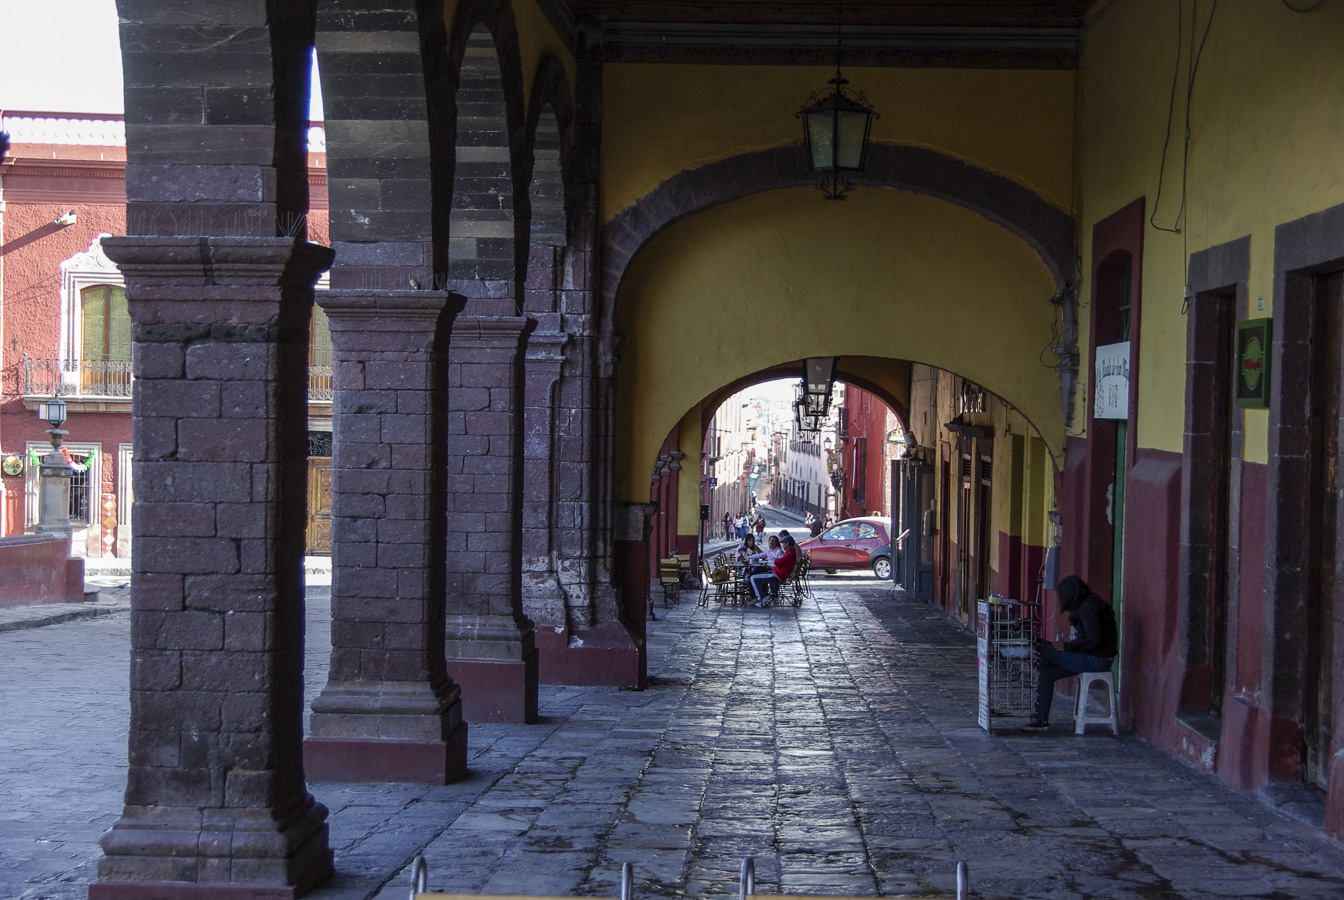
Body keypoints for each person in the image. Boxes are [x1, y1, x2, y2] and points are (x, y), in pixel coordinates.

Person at [1026, 575, 1118, 730]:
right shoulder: (1089, 605)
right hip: (1093, 656)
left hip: (1097, 660)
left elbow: (1094, 640)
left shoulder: (1089, 608)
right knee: (1046, 670)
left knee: (1041, 651)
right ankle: (1040, 720)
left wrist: (1068, 648)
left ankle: (1029, 651)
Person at [750, 534, 797, 608]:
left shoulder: (789, 554)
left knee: (753, 578)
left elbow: (778, 562)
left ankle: (763, 598)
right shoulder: (789, 553)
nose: (782, 545)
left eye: (783, 543)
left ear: (787, 544)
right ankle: (764, 596)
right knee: (757, 574)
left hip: (778, 575)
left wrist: (773, 561)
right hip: (776, 572)